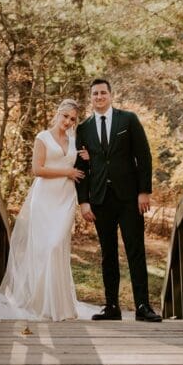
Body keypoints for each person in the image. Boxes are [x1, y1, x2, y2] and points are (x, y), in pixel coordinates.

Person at [0, 99, 95, 321]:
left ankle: (60, 305)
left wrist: (88, 157)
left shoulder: (75, 140)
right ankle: (40, 302)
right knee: (44, 248)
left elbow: (82, 168)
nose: (68, 122)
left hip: (66, 197)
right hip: (45, 197)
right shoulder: (43, 137)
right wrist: (66, 172)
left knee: (57, 245)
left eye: (72, 119)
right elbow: (37, 169)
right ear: (58, 113)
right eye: (65, 116)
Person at [75, 78, 162, 322]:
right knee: (108, 254)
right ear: (90, 98)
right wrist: (83, 201)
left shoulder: (128, 120)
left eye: (103, 93)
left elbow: (143, 157)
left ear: (111, 95)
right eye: (95, 94)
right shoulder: (84, 128)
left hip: (129, 198)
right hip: (101, 199)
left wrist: (144, 191)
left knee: (136, 251)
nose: (99, 97)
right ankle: (111, 306)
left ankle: (143, 306)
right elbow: (80, 167)